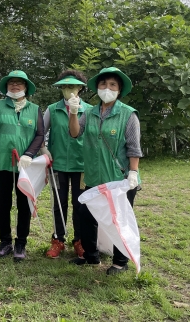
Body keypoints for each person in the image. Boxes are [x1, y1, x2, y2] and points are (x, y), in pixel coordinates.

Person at [68, 67, 142, 275]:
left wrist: (133, 173)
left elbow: (133, 147)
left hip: (120, 178)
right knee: (86, 213)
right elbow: (75, 133)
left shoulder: (128, 114)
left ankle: (120, 261)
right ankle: (91, 255)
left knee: (119, 219)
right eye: (103, 84)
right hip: (94, 175)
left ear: (119, 90)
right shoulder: (89, 112)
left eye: (112, 85)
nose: (107, 88)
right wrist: (73, 113)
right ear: (97, 88)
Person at [0, 70, 44, 261]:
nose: (15, 86)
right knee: (2, 203)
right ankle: (5, 241)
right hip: (2, 162)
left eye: (19, 83)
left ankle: (21, 243)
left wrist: (29, 154)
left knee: (23, 205)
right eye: (11, 83)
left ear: (26, 87)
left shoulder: (34, 109)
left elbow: (40, 134)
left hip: (25, 166)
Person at [43, 70, 91, 259]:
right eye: (65, 87)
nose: (69, 90)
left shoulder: (89, 110)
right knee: (59, 203)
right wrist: (43, 150)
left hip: (81, 165)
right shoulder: (52, 109)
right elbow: (41, 133)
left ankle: (80, 241)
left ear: (80, 88)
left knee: (80, 204)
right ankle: (58, 240)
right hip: (58, 164)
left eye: (72, 86)